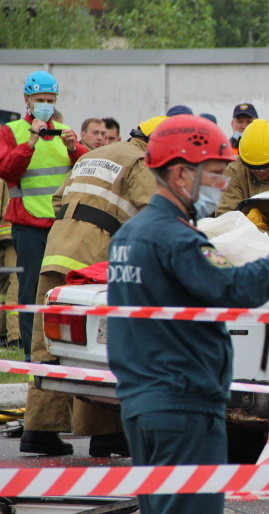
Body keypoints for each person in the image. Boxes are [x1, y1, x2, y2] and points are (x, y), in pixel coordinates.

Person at [107, 114, 269, 514]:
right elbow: (237, 288)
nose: (225, 184)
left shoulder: (131, 235)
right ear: (180, 174)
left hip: (144, 407)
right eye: (214, 174)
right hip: (184, 410)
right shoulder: (177, 239)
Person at [19, 115, 167, 457]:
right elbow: (153, 210)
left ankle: (38, 430)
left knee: (48, 344)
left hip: (56, 250)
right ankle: (107, 436)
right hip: (92, 259)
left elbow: (58, 201)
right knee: (96, 344)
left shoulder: (92, 155)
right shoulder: (142, 161)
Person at [0, 71, 87, 363]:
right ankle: (31, 354)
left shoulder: (64, 130)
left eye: (51, 100)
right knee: (30, 293)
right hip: (28, 227)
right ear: (27, 100)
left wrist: (75, 150)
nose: (46, 105)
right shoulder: (11, 131)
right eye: (40, 100)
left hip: (61, 226)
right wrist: (32, 142)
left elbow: (84, 170)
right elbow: (7, 169)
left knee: (63, 289)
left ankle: (63, 352)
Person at [0, 182, 19, 350]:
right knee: (16, 283)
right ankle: (15, 335)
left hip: (9, 234)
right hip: (12, 233)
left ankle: (6, 333)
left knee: (7, 286)